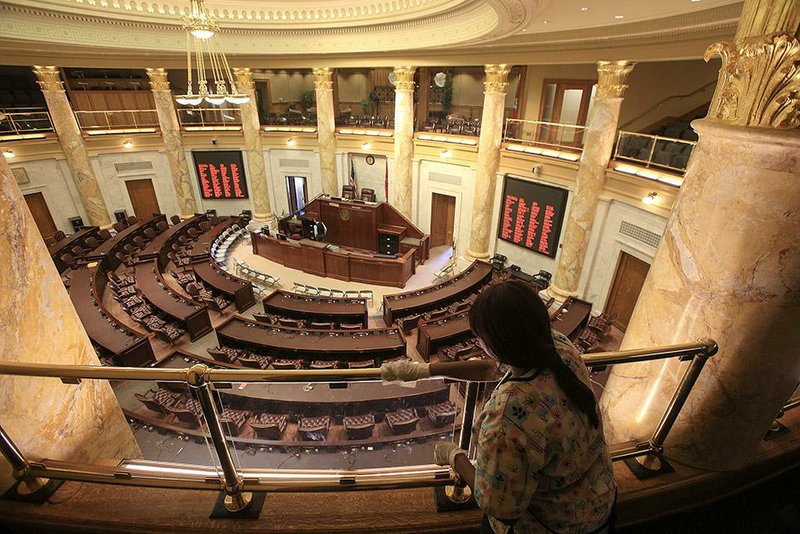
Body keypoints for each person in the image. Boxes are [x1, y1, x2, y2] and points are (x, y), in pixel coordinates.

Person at [381, 280, 616, 533]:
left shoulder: (508, 417)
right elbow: (490, 368)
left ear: (494, 346)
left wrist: (455, 457)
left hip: (554, 527)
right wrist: (423, 370)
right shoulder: (559, 346)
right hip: (602, 500)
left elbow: (499, 508)